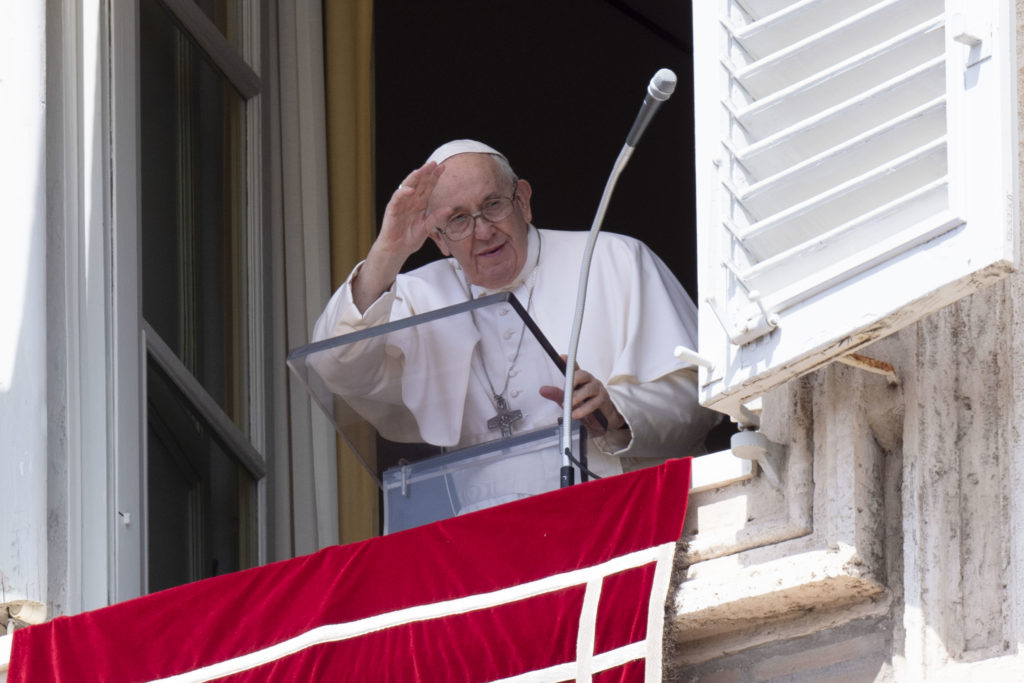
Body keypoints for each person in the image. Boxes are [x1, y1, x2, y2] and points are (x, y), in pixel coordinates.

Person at [312, 139, 720, 487]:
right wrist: (387, 254)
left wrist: (619, 411)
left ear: (523, 201)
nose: (483, 231)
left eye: (492, 205)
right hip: (483, 533)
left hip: (610, 508)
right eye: (458, 220)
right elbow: (334, 366)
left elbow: (701, 396)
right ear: (438, 239)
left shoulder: (613, 259)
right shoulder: (414, 297)